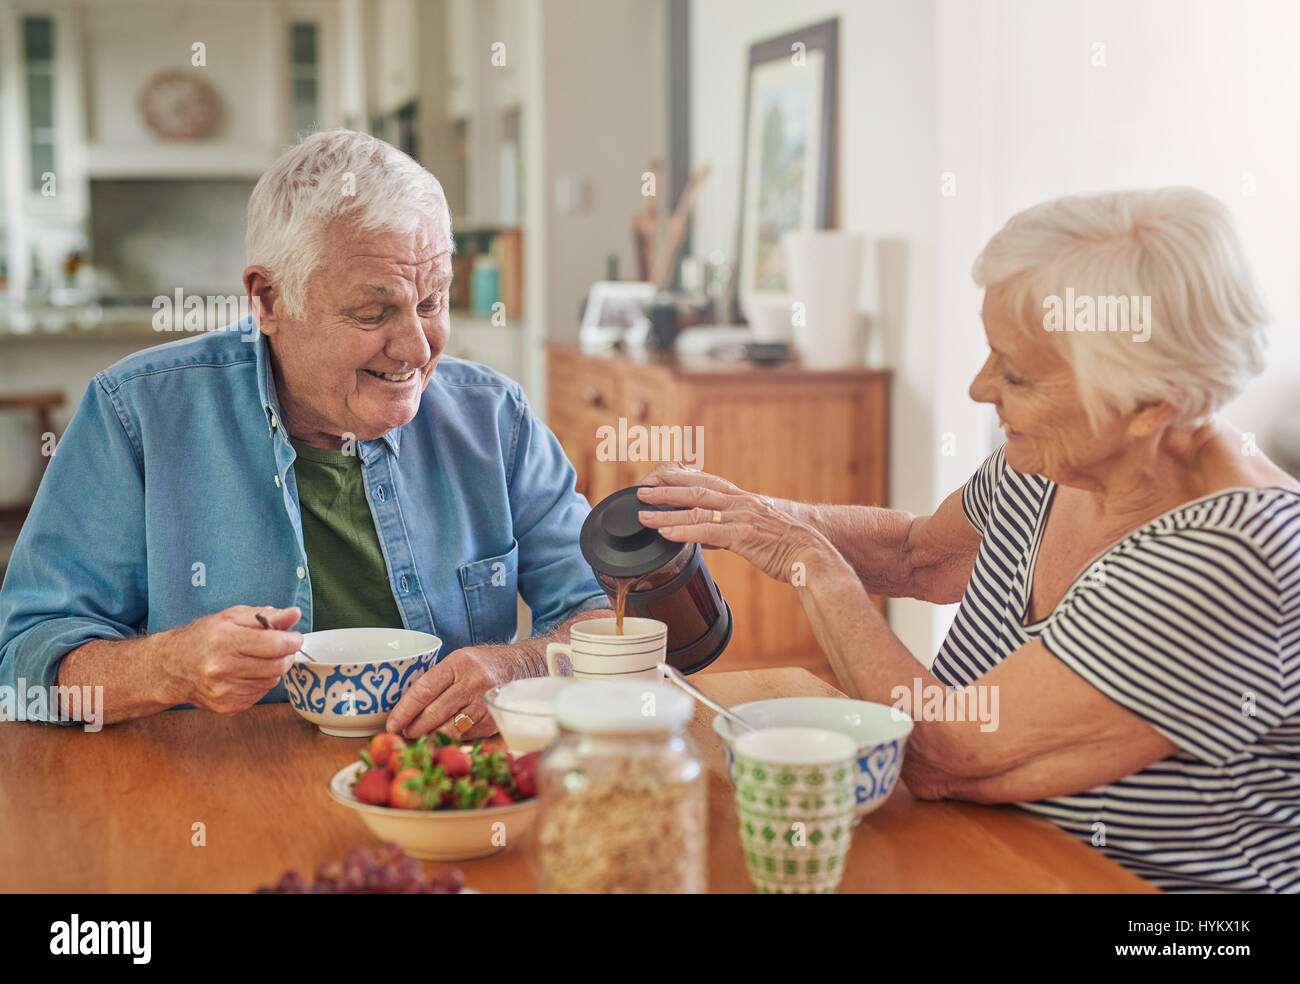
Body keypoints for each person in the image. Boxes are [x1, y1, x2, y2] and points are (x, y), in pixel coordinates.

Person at [636, 187, 1299, 892]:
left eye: (1016, 373)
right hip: (984, 859)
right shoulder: (1058, 460)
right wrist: (751, 514)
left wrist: (810, 564)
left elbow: (943, 753)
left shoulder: (1237, 552)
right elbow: (915, 555)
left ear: (1150, 404)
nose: (981, 388)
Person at [0, 130, 609, 739]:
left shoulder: (494, 417)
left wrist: (522, 663)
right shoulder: (138, 413)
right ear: (267, 300)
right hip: (212, 798)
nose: (417, 349)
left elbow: (605, 614)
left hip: (439, 796)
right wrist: (167, 669)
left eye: (432, 301)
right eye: (373, 313)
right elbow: (24, 664)